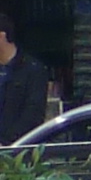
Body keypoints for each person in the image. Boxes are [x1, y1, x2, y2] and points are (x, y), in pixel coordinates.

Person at [0, 13, 53, 141]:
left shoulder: (33, 70)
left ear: (2, 36)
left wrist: (7, 142)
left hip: (18, 146)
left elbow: (33, 115)